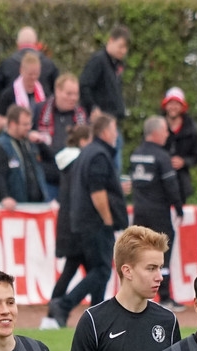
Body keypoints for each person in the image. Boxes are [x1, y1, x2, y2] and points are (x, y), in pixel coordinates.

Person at [48, 114, 127, 328]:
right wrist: (108, 219)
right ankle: (64, 305)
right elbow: (97, 191)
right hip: (96, 222)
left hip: (83, 221)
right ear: (105, 132)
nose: (116, 134)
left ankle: (96, 318)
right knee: (102, 270)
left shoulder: (88, 153)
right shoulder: (99, 155)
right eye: (114, 130)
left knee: (97, 270)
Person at [128, 116, 184, 308]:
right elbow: (171, 186)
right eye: (165, 130)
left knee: (140, 255)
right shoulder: (161, 156)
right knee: (162, 254)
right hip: (159, 213)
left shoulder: (135, 154)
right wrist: (179, 208)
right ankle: (165, 297)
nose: (167, 134)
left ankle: (138, 295)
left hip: (139, 213)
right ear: (156, 132)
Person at [40, 123, 91, 330]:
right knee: (97, 272)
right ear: (83, 141)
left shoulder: (65, 162)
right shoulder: (81, 163)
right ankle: (60, 310)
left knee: (72, 270)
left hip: (66, 223)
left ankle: (52, 314)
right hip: (78, 225)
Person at [79, 25, 129, 172]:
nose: (123, 51)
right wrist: (93, 108)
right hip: (102, 125)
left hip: (113, 123)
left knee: (116, 167)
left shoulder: (116, 66)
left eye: (125, 48)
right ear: (111, 40)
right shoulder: (98, 60)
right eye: (120, 46)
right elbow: (85, 85)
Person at [32, 72, 88, 201]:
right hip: (47, 178)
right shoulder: (40, 110)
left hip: (73, 180)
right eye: (69, 94)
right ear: (57, 91)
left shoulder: (81, 115)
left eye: (76, 94)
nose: (73, 98)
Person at [0, 105, 48, 210]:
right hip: (16, 206)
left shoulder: (30, 142)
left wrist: (40, 143)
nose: (29, 128)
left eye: (30, 124)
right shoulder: (2, 145)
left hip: (38, 203)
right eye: (25, 124)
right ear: (13, 124)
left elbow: (50, 160)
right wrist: (5, 197)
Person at [0, 26, 60, 103]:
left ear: (17, 43)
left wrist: (6, 105)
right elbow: (58, 92)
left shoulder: (6, 64)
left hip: (13, 108)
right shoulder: (49, 65)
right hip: (43, 108)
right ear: (36, 43)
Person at [161, 86, 197, 202]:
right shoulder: (157, 125)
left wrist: (184, 161)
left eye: (177, 104)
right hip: (159, 181)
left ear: (182, 107)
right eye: (170, 103)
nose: (173, 107)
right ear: (165, 105)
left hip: (181, 183)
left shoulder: (191, 129)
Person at [0, 52, 46, 132]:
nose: (33, 77)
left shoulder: (44, 93)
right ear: (21, 70)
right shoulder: (9, 94)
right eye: (30, 74)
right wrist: (19, 123)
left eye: (36, 74)